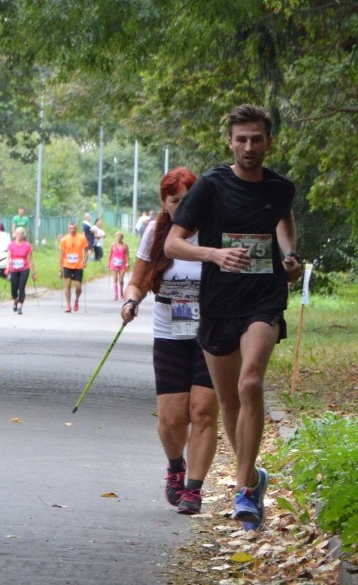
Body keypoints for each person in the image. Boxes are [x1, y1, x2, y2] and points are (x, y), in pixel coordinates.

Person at [164, 104, 301, 531]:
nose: (248, 147)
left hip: (263, 299)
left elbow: (283, 221)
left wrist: (289, 255)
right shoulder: (210, 185)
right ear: (230, 142)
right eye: (241, 139)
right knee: (229, 402)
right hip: (219, 303)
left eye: (256, 139)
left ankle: (244, 489)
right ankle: (253, 478)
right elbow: (173, 243)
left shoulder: (280, 187)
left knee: (252, 382)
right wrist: (215, 253)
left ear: (269, 142)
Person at [121, 167, 218, 515]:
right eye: (175, 201)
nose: (182, 207)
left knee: (203, 411)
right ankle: (175, 465)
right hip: (170, 330)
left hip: (212, 331)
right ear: (164, 203)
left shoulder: (213, 230)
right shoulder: (156, 231)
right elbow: (138, 281)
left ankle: (194, 487)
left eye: (188, 200)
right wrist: (131, 300)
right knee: (172, 419)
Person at [4, 227, 36, 315]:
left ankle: (19, 307)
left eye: (21, 233)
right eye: (18, 233)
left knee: (21, 288)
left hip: (24, 269)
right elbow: (8, 257)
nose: (19, 235)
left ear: (23, 235)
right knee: (13, 289)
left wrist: (33, 272)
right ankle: (15, 300)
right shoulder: (11, 245)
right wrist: (7, 267)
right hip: (13, 269)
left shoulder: (27, 245)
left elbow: (30, 259)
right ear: (15, 235)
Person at [59, 221, 89, 313]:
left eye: (74, 228)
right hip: (67, 264)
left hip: (78, 266)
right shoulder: (64, 239)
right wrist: (60, 269)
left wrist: (85, 261)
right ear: (68, 229)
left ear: (76, 229)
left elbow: (86, 252)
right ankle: (68, 305)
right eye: (70, 228)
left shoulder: (82, 238)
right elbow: (62, 255)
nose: (72, 230)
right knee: (67, 285)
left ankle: (76, 300)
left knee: (78, 287)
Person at [108, 231, 130, 300]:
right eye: (117, 236)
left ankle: (121, 292)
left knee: (121, 280)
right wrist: (108, 263)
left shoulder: (125, 245)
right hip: (114, 264)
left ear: (122, 238)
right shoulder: (112, 245)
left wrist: (127, 263)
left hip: (122, 264)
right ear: (115, 237)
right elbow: (110, 254)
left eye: (120, 237)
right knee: (115, 279)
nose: (118, 238)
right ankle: (116, 294)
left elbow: (127, 255)